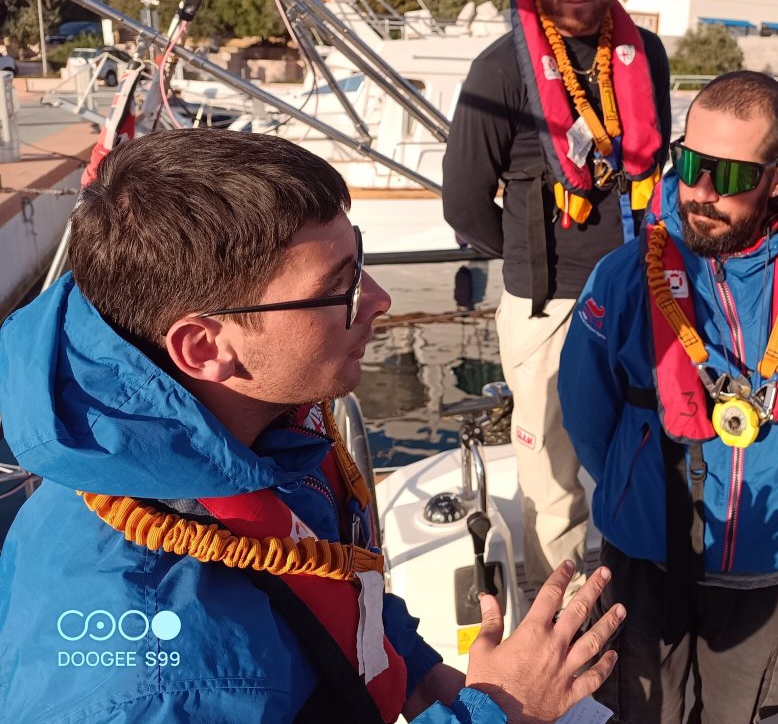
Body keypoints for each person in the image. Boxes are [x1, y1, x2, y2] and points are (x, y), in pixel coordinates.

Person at [0, 128, 624, 724]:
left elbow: (327, 578)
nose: (378, 299)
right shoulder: (148, 685)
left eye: (361, 261)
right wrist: (501, 708)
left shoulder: (249, 430)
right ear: (203, 347)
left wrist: (431, 680)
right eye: (339, 286)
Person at [560, 71, 778, 723]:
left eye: (730, 176)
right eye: (691, 162)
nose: (701, 191)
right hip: (647, 551)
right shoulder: (622, 276)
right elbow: (587, 411)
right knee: (643, 710)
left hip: (768, 561)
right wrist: (629, 489)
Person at [442, 0, 672, 596]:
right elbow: (463, 204)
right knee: (553, 484)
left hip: (638, 291)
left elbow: (656, 171)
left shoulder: (649, 54)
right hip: (548, 306)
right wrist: (525, 259)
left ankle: (644, 599)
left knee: (645, 456)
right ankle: (562, 630)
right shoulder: (500, 72)